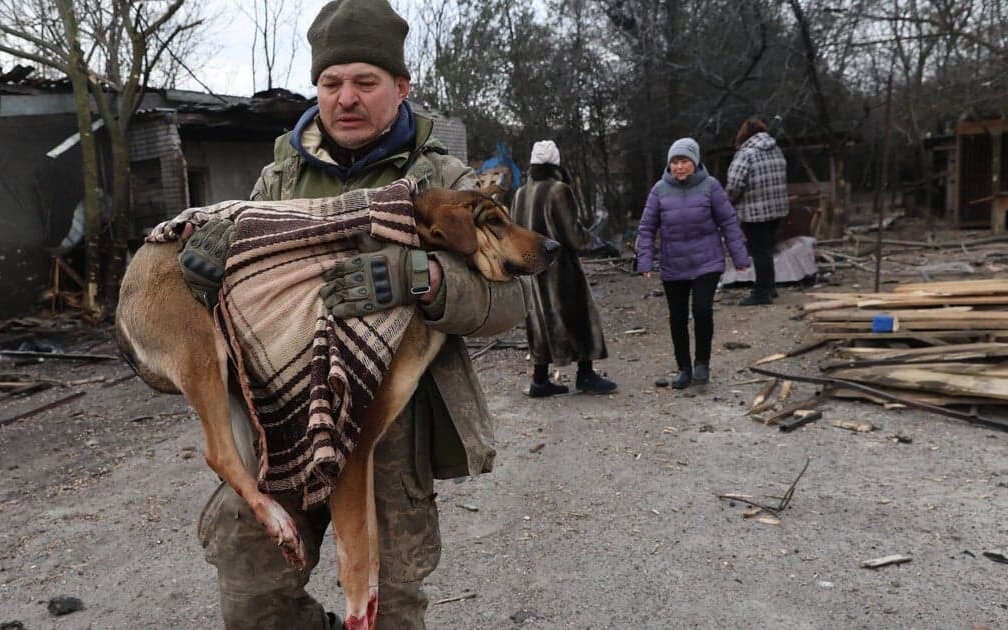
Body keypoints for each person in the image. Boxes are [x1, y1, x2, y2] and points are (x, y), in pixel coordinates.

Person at [178, 1, 527, 628]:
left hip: (393, 428)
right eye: (331, 83)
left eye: (366, 82)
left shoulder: (445, 178)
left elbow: (507, 299)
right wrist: (205, 270)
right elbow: (231, 290)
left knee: (389, 604)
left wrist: (423, 276)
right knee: (254, 591)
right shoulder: (277, 183)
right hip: (279, 417)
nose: (346, 98)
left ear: (401, 86)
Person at [636, 138, 750, 389]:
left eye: (684, 161)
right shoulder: (659, 190)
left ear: (695, 162)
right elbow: (646, 228)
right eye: (675, 162)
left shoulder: (710, 187)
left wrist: (740, 257)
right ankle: (683, 368)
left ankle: (702, 363)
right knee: (677, 317)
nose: (679, 167)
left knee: (702, 310)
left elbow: (729, 222)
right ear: (669, 165)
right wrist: (644, 260)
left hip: (706, 262)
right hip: (673, 264)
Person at [511, 140, 616, 397]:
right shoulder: (559, 190)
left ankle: (539, 380)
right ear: (555, 163)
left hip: (530, 270)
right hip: (559, 269)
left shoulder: (520, 193)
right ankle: (586, 374)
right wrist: (590, 240)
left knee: (539, 321)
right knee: (578, 314)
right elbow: (572, 234)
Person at [726, 116, 789, 306]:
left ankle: (761, 293)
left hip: (755, 212)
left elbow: (735, 183)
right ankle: (770, 287)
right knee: (767, 249)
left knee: (759, 251)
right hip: (777, 210)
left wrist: (729, 200)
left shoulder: (746, 154)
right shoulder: (776, 150)